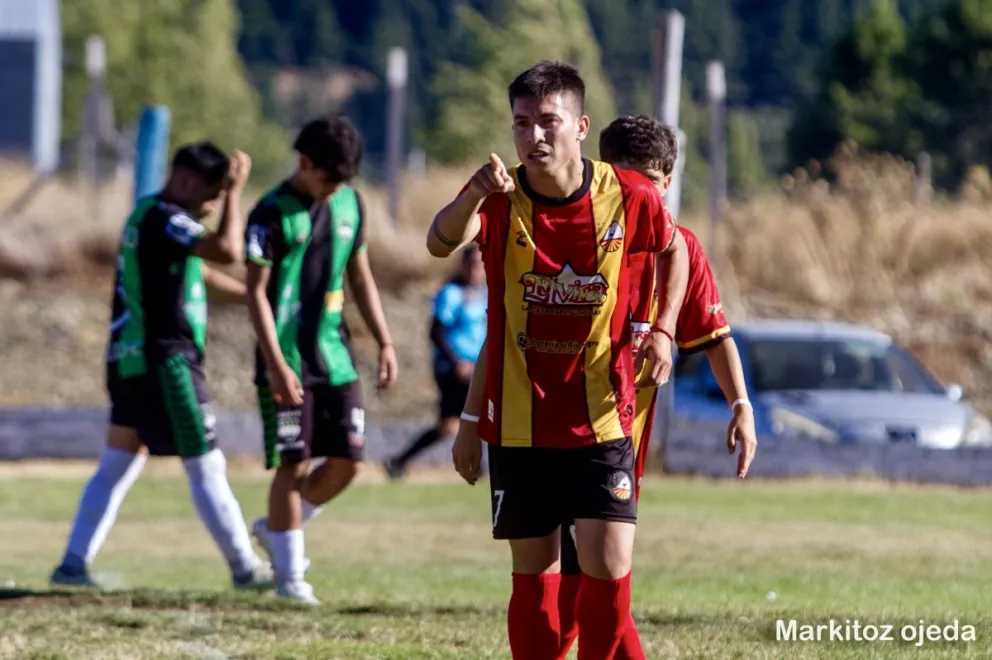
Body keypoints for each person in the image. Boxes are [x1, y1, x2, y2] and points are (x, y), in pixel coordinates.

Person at [426, 61, 690, 659]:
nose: (534, 137)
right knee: (534, 571)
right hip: (521, 423)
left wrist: (666, 331)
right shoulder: (500, 200)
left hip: (601, 413)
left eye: (548, 122)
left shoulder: (630, 196)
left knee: (609, 560)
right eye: (522, 124)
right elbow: (439, 241)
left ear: (580, 125)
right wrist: (472, 189)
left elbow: (676, 251)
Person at [551, 114, 759, 658]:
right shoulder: (577, 235)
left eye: (648, 179)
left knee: (599, 584)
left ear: (666, 182)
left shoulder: (680, 250)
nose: (637, 191)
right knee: (580, 591)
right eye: (625, 177)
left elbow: (716, 336)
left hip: (621, 446)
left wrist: (741, 404)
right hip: (556, 434)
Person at [50, 143, 274, 591]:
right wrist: (236, 193)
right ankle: (245, 569)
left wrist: (256, 299)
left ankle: (72, 565)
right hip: (165, 360)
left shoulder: (154, 219)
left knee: (118, 463)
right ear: (188, 180)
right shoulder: (164, 218)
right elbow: (226, 249)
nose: (212, 206)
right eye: (212, 195)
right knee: (206, 463)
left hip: (132, 357)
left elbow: (204, 276)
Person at [244, 116, 398, 605]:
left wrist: (384, 340)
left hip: (336, 357)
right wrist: (274, 364)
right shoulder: (269, 213)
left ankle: (277, 531)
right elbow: (255, 293)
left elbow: (360, 274)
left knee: (349, 462)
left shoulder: (351, 203)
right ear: (304, 163)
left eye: (342, 182)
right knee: (293, 463)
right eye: (327, 179)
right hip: (286, 357)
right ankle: (290, 578)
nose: (333, 192)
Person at [384, 244, 487, 480]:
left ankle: (477, 469)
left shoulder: (484, 293)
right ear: (463, 265)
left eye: (481, 265)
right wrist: (457, 362)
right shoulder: (451, 293)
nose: (476, 269)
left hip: (478, 368)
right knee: (452, 423)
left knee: (474, 418)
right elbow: (436, 331)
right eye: (472, 264)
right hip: (452, 369)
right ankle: (400, 460)